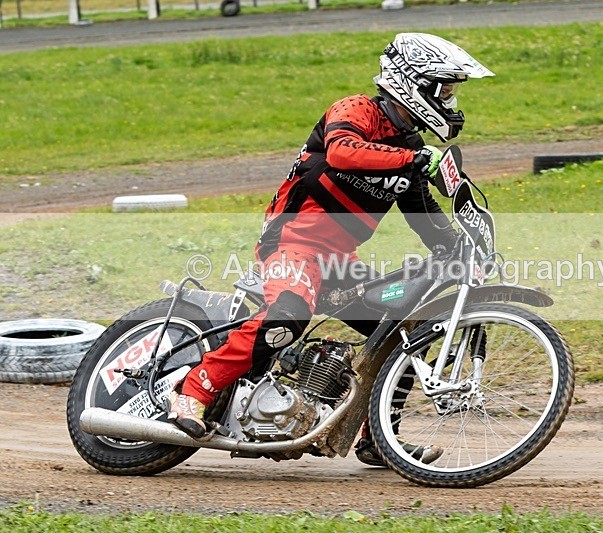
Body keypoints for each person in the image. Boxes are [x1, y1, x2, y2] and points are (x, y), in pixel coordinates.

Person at [168, 32, 494, 466]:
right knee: (288, 318)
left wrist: (462, 248)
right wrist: (414, 162)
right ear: (413, 82)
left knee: (402, 335)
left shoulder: (412, 147)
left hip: (339, 262)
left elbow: (423, 214)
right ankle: (195, 390)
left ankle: (378, 437)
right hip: (292, 241)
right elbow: (342, 152)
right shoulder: (356, 109)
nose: (451, 102)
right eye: (445, 90)